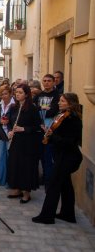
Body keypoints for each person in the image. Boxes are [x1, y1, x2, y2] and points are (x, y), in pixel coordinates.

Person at [32, 93, 82, 224]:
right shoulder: (64, 116)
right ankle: (68, 214)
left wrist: (53, 136)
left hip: (68, 156)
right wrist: (48, 134)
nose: (59, 103)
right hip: (62, 155)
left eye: (62, 101)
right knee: (66, 185)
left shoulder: (72, 119)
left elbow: (69, 142)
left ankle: (47, 216)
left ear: (71, 103)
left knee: (54, 185)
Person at [7, 84, 41, 203]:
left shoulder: (32, 108)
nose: (17, 94)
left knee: (26, 167)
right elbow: (10, 122)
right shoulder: (13, 107)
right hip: (16, 141)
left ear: (26, 94)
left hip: (28, 143)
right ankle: (17, 189)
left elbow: (38, 127)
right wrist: (10, 130)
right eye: (16, 92)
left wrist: (24, 129)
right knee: (15, 165)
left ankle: (27, 193)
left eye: (20, 92)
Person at [34, 74, 60, 189]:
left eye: (49, 81)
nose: (46, 83)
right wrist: (44, 109)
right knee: (41, 157)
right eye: (44, 81)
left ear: (54, 82)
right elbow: (34, 109)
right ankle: (44, 177)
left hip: (50, 130)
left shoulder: (57, 95)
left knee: (48, 157)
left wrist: (42, 109)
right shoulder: (39, 95)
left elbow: (53, 111)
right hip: (38, 130)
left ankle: (49, 181)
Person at [0, 85, 15, 186]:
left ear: (11, 94)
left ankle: (10, 181)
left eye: (6, 94)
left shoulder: (15, 105)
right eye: (2, 94)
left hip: (11, 133)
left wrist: (8, 122)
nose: (3, 96)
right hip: (1, 133)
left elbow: (16, 119)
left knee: (10, 158)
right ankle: (0, 179)